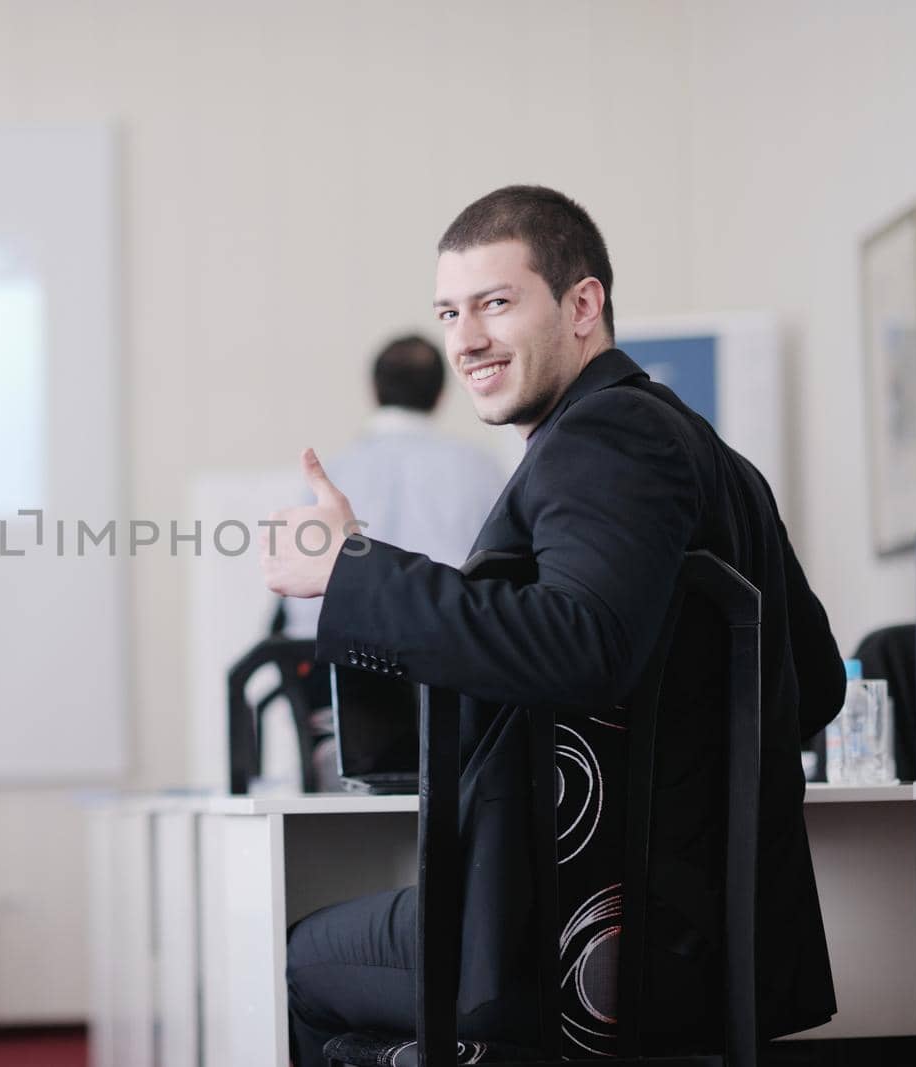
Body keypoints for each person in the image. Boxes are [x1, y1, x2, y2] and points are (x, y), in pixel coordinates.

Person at [260, 185, 842, 1062]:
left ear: (582, 304)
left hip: (573, 934)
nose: (466, 338)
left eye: (496, 303)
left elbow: (581, 642)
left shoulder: (603, 436)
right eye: (450, 311)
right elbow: (818, 684)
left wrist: (352, 573)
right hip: (699, 937)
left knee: (296, 961)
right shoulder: (718, 459)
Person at [276, 334, 505, 639]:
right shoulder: (480, 469)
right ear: (441, 395)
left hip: (329, 662)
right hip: (443, 656)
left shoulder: (330, 472)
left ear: (374, 390)